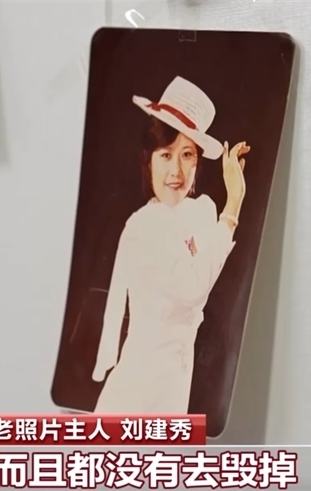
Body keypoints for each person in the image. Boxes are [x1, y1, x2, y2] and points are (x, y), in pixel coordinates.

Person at [90, 76, 249, 413]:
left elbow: (204, 270)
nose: (175, 170)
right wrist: (233, 203)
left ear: (197, 163)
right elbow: (192, 288)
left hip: (178, 379)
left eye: (187, 155)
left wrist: (226, 210)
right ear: (149, 160)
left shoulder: (202, 211)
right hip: (138, 385)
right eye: (165, 155)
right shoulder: (143, 226)